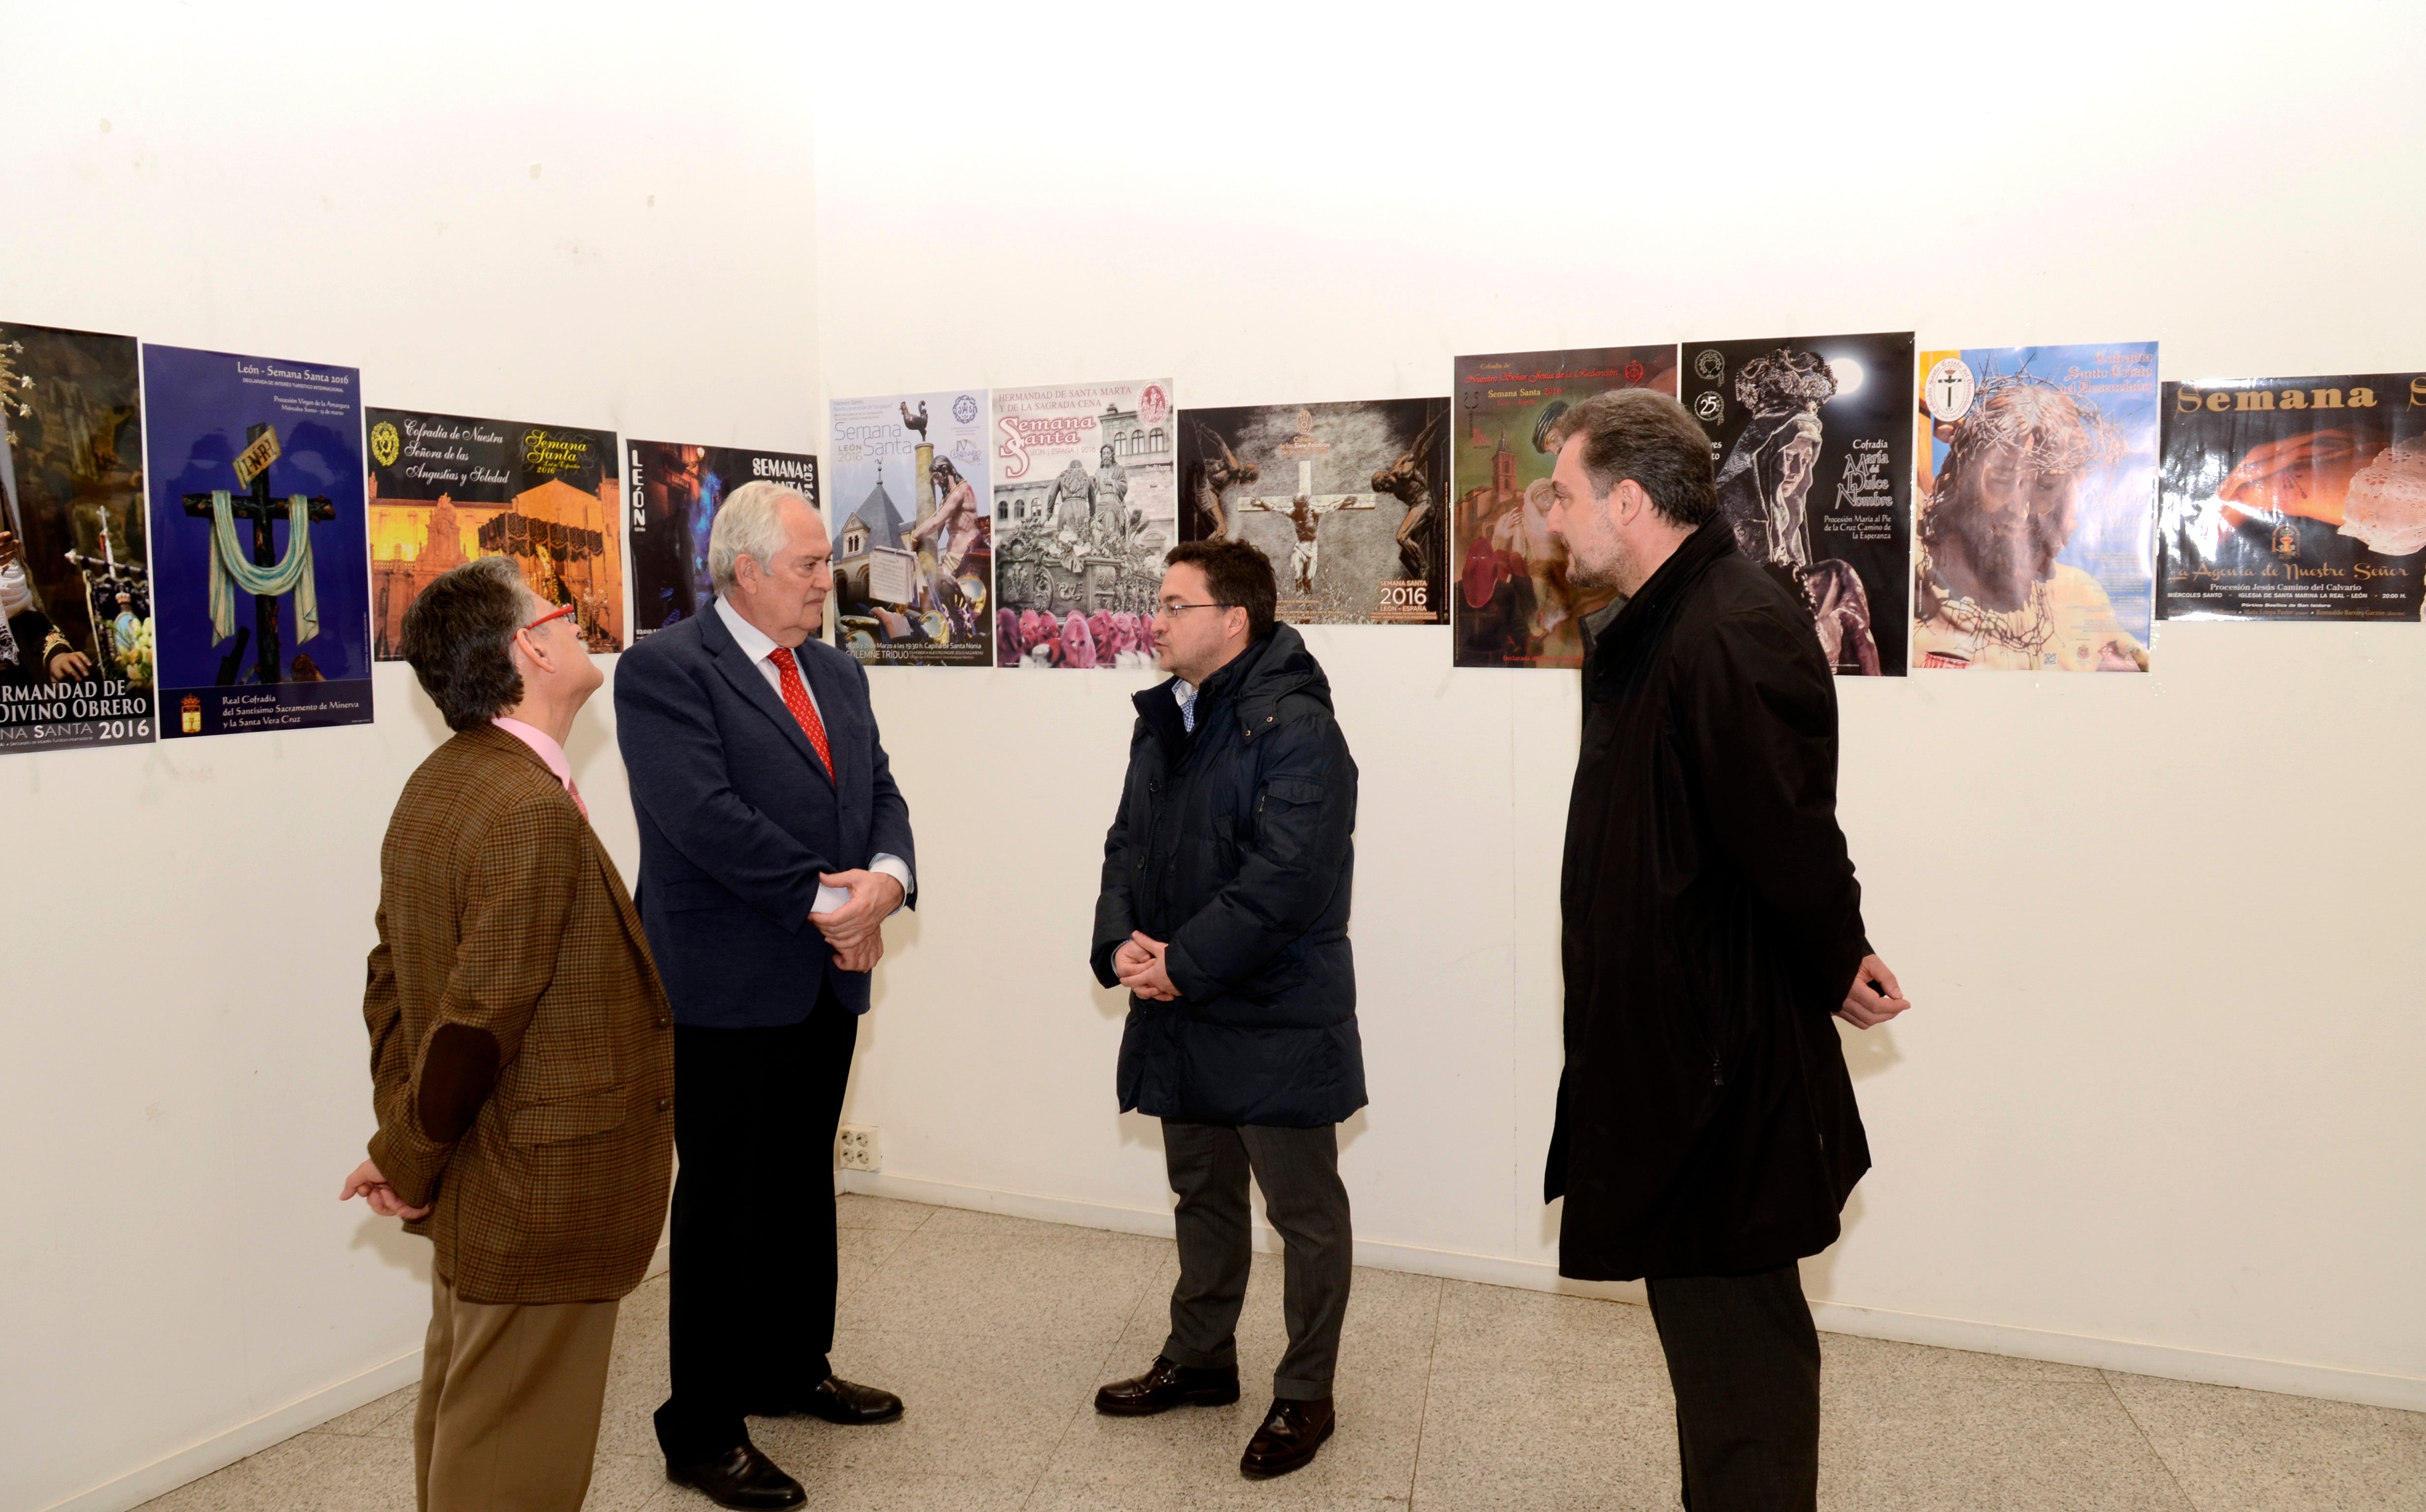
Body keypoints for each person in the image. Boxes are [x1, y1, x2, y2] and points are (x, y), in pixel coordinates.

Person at [1537, 389, 1913, 1512]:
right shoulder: (1669, 619)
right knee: (1711, 1341)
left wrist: (1836, 951)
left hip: (1717, 1059)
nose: (1551, 518)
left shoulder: (1728, 624)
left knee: (1739, 1352)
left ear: (1628, 500)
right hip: (1678, 1043)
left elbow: (1785, 828)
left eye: (1564, 495)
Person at [341, 553, 674, 1512]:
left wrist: (406, 1142)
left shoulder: (444, 782)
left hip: (489, 1179)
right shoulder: (527, 807)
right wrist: (408, 1158)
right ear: (531, 646)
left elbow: (391, 983)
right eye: (562, 613)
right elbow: (474, 1023)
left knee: (473, 1419)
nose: (578, 625)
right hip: (539, 1192)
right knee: (510, 1461)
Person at [615, 480, 918, 1510]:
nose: (828, 581)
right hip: (724, 984)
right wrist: (833, 903)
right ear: (745, 571)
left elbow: (879, 790)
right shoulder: (665, 671)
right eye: (809, 565)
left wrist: (888, 882)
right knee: (722, 1201)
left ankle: (791, 1368)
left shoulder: (834, 669)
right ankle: (702, 1427)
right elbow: (701, 816)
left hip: (826, 975)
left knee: (797, 1182)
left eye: (826, 562)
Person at [1088, 538, 1364, 1480]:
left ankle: (1306, 1390)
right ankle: (1201, 1357)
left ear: (1233, 620)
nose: (1155, 621)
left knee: (1302, 1212)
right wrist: (1120, 944)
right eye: (1157, 604)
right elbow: (1126, 843)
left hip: (1271, 1008)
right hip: (1184, 1002)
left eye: (1175, 605)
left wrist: (1185, 963)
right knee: (1201, 1192)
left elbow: (1288, 878)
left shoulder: (1297, 728)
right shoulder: (1166, 719)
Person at [1912, 374, 2144, 670]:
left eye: (2046, 486)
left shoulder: (2080, 595)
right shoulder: (1915, 563)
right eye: (2001, 480)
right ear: (1965, 476)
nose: (2020, 511)